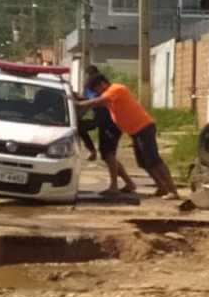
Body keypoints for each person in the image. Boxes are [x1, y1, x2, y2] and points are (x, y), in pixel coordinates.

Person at [76, 66, 178, 199]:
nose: (96, 92)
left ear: (102, 84)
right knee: (144, 163)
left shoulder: (116, 89)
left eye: (96, 89)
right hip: (136, 132)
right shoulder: (109, 95)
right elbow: (98, 103)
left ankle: (172, 190)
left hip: (143, 128)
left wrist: (79, 104)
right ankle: (162, 187)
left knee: (154, 160)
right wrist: (79, 99)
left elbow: (98, 101)